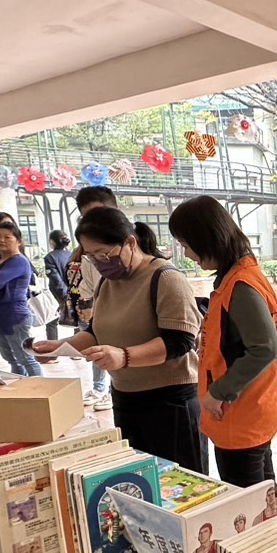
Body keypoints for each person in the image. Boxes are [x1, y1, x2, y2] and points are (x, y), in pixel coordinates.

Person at [38, 207, 205, 470]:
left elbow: (179, 342)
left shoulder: (166, 278)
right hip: (126, 399)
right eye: (91, 257)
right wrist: (58, 347)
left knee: (181, 483)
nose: (100, 262)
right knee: (142, 481)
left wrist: (124, 357)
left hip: (169, 404)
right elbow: (95, 331)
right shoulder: (107, 283)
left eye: (104, 254)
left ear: (130, 242)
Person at [169, 195, 277, 487]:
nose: (186, 253)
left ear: (205, 238)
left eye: (185, 244)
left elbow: (265, 349)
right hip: (251, 410)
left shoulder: (241, 286)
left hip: (239, 415)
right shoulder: (241, 276)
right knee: (263, 494)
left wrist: (219, 392)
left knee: (247, 502)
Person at [69, 186, 118, 411]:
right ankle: (101, 389)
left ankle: (107, 390)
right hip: (100, 317)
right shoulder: (86, 256)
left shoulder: (148, 261)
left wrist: (127, 357)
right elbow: (87, 286)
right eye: (89, 217)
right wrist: (59, 346)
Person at [0, 220, 42, 378]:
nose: (1, 240)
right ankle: (22, 390)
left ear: (18, 242)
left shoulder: (19, 261)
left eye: (7, 237)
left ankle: (41, 392)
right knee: (11, 359)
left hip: (15, 316)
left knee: (26, 358)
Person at [43, 228, 72, 344]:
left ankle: (52, 351)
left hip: (56, 294)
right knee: (76, 318)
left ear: (52, 242)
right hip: (73, 291)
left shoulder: (50, 257)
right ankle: (76, 351)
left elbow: (55, 278)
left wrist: (64, 294)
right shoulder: (71, 255)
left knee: (51, 320)